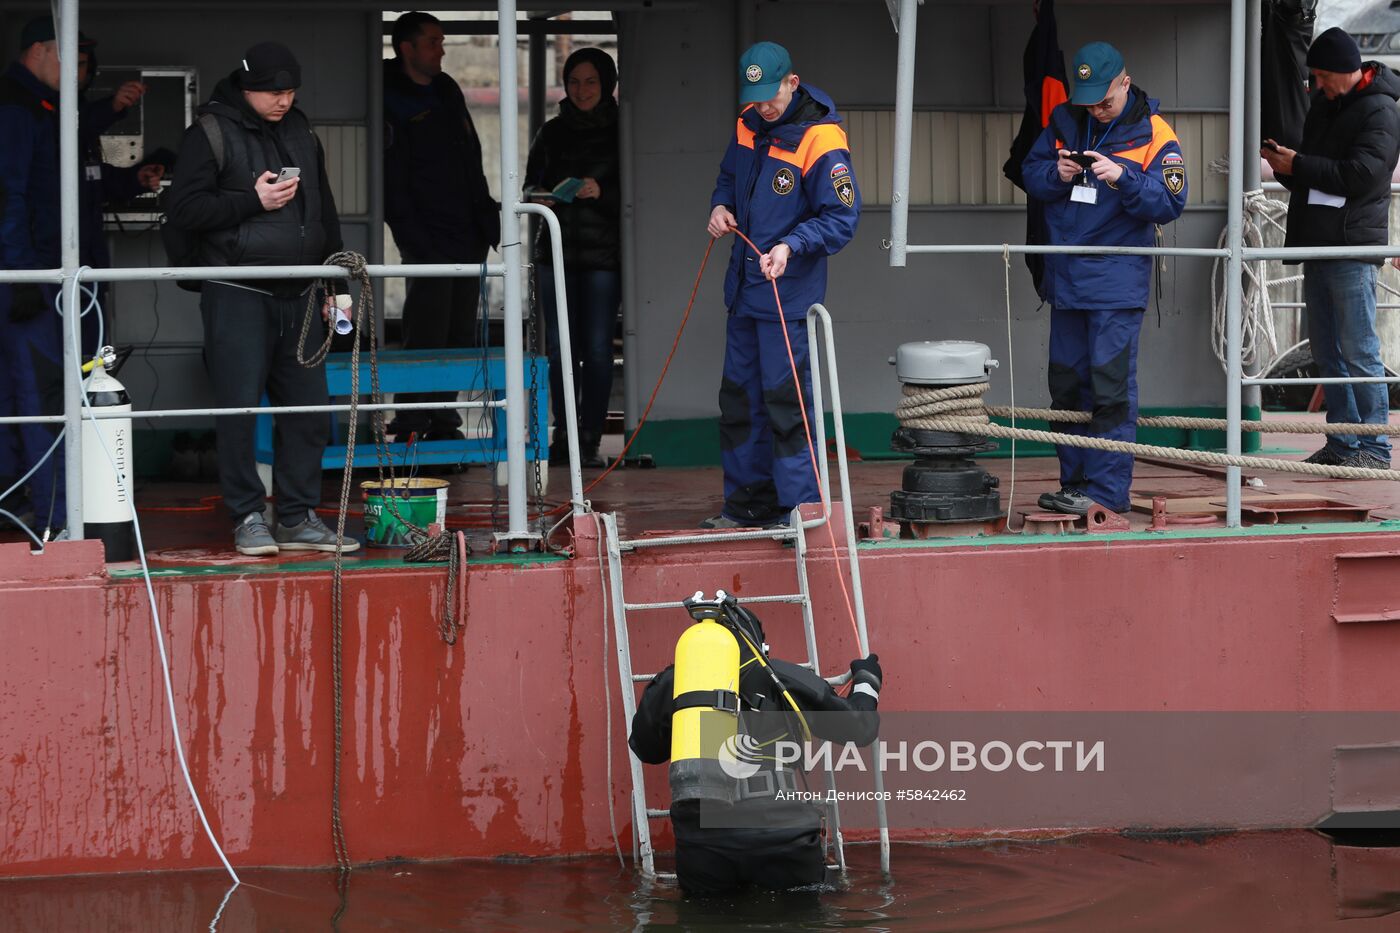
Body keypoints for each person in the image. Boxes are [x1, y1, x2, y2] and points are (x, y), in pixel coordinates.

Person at [166, 41, 357, 557]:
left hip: (302, 289)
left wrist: (335, 284)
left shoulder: (301, 129)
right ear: (246, 88)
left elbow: (325, 214)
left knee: (311, 411)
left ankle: (296, 516)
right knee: (238, 410)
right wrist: (253, 200)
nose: (283, 100)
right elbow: (183, 210)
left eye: (291, 91)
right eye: (274, 92)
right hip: (236, 289)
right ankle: (248, 516)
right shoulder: (207, 132)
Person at [1021, 41, 1188, 516]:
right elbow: (1030, 174)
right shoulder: (1062, 122)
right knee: (1066, 389)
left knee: (1110, 390)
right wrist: (1057, 171)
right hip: (1067, 283)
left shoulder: (1155, 134)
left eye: (1105, 100)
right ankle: (1074, 484)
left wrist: (1123, 178)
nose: (1096, 108)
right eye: (1088, 100)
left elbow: (1171, 202)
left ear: (1125, 83)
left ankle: (1107, 493)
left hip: (1116, 285)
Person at [702, 42, 860, 529]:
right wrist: (720, 206)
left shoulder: (822, 139)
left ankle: (800, 510)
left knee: (787, 406)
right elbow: (729, 176)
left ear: (793, 83)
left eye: (770, 97)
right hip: (744, 291)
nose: (763, 107)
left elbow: (842, 217)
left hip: (786, 295)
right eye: (754, 98)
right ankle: (746, 505)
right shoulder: (748, 122)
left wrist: (792, 244)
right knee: (738, 403)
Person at [628, 594, 882, 896]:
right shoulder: (782, 676)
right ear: (755, 642)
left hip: (703, 849)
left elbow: (646, 750)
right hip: (784, 842)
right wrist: (868, 679)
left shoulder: (673, 683)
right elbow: (860, 728)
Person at [1262, 27, 1400, 471]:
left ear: (1346, 71)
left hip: (1352, 245)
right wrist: (1287, 164)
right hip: (1320, 240)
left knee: (1358, 348)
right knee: (1327, 349)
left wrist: (1297, 164)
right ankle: (1343, 441)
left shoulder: (1381, 109)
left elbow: (1363, 175)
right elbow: (1319, 171)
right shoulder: (1325, 103)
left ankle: (1374, 444)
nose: (1318, 85)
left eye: (1323, 76)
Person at [383, 11, 500, 443]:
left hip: (467, 232)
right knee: (425, 332)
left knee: (459, 332)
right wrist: (415, 239)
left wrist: (486, 217)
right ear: (406, 48)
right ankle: (413, 422)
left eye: (441, 41)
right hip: (426, 236)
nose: (442, 49)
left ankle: (445, 422)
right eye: (433, 42)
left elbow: (471, 156)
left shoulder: (447, 89)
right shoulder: (389, 96)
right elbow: (392, 181)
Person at [524, 47, 621, 469]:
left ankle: (590, 437)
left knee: (598, 350)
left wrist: (603, 192)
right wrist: (545, 196)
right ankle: (563, 434)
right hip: (555, 254)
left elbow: (639, 191)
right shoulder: (551, 133)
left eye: (591, 82)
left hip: (605, 257)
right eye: (574, 82)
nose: (582, 90)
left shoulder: (623, 130)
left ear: (607, 84)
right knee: (560, 348)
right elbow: (528, 188)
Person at [0, 18, 71, 541]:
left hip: (27, 273)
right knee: (39, 394)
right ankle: (52, 515)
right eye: (68, 56)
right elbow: (10, 194)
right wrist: (22, 274)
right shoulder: (18, 109)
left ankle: (21, 502)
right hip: (26, 280)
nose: (74, 71)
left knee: (16, 394)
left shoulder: (33, 105)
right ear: (42, 51)